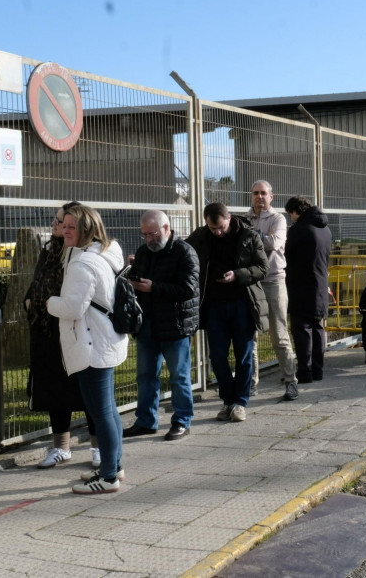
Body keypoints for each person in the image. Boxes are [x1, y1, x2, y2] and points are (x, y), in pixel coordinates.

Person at [46, 204, 128, 494]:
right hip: (102, 341)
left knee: (102, 411)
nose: (65, 230)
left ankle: (107, 476)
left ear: (86, 230)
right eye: (63, 225)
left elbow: (72, 307)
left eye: (72, 226)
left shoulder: (83, 263)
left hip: (93, 344)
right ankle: (114, 467)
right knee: (107, 410)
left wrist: (49, 302)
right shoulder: (96, 253)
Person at [25, 201, 100, 469]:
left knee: (88, 392)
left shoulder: (86, 254)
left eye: (64, 223)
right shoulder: (50, 252)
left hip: (77, 330)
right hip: (47, 330)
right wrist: (30, 302)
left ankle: (97, 447)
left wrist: (49, 303)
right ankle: (61, 448)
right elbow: (37, 283)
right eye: (58, 222)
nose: (56, 226)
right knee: (55, 390)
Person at [187, 202, 268, 421]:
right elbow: (182, 254)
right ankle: (228, 400)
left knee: (244, 355)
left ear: (229, 218)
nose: (218, 232)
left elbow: (263, 267)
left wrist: (239, 274)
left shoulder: (249, 236)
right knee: (217, 356)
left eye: (221, 227)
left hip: (243, 302)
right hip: (214, 305)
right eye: (213, 228)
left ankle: (240, 402)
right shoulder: (201, 236)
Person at [123, 210, 199, 441]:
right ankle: (146, 421)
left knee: (179, 376)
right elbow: (138, 279)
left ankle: (182, 421)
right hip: (147, 324)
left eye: (153, 233)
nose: (149, 239)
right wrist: (132, 277)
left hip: (175, 325)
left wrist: (153, 287)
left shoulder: (185, 252)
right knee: (145, 376)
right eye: (144, 234)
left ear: (167, 228)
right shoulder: (144, 252)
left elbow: (188, 289)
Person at [248, 180, 299, 400]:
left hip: (274, 280)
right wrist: (260, 235)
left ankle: (290, 381)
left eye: (263, 193)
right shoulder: (244, 218)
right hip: (252, 282)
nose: (260, 197)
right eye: (256, 193)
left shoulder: (278, 219)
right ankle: (250, 385)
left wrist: (250, 236)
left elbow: (274, 243)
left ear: (271, 196)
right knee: (251, 336)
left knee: (279, 334)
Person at [284, 196, 332, 382]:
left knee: (302, 329)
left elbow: (287, 255)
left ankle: (305, 372)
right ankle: (318, 371)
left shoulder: (299, 229)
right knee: (318, 327)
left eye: (291, 214)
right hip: (320, 283)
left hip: (301, 285)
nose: (291, 217)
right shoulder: (325, 229)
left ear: (295, 211)